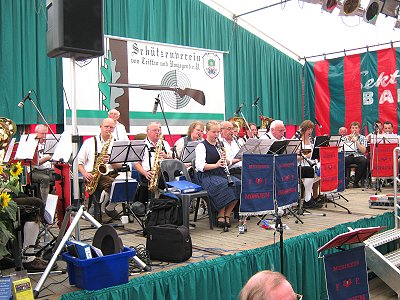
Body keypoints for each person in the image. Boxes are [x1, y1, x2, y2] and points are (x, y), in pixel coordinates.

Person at [195, 121, 241, 228]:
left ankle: (227, 214)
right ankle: (220, 214)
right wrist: (216, 165)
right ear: (207, 132)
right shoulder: (201, 146)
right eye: (213, 132)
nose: (216, 135)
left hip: (221, 173)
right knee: (223, 185)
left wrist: (226, 161)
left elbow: (228, 161)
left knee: (238, 184)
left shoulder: (220, 144)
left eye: (218, 132)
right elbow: (200, 166)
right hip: (207, 175)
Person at [78, 118, 122, 218]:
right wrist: (85, 173)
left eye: (111, 127)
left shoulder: (116, 143)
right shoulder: (89, 142)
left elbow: (120, 165)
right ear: (101, 127)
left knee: (126, 185)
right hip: (93, 174)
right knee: (113, 184)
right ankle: (99, 207)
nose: (108, 129)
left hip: (112, 172)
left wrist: (111, 160)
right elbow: (78, 163)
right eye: (106, 126)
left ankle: (108, 207)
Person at [133, 122, 172, 198]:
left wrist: (166, 156)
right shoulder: (141, 144)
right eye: (155, 130)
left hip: (164, 173)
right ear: (148, 131)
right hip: (148, 174)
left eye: (159, 130)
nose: (158, 133)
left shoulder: (165, 143)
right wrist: (145, 173)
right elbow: (136, 164)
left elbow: (173, 158)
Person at [295, 120, 322, 209]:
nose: (310, 132)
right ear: (303, 130)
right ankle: (308, 198)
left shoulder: (311, 140)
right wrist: (305, 156)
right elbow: (294, 157)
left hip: (310, 163)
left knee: (322, 168)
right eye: (308, 129)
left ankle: (311, 196)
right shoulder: (297, 140)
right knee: (310, 171)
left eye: (311, 129)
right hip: (300, 164)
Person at [31, 124, 56, 204]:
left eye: (46, 134)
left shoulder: (49, 144)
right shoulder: (32, 144)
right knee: (45, 178)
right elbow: (35, 163)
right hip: (35, 171)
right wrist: (48, 158)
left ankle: (57, 203)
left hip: (48, 169)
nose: (44, 136)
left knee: (62, 176)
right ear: (36, 133)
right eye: (42, 134)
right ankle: (44, 204)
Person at [344, 121, 367, 188]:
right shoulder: (345, 138)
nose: (354, 129)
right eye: (353, 128)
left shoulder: (363, 138)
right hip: (348, 155)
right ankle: (345, 182)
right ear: (350, 129)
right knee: (342, 160)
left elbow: (364, 151)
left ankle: (356, 182)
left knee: (364, 161)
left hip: (358, 155)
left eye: (356, 128)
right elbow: (342, 149)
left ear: (359, 129)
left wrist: (356, 142)